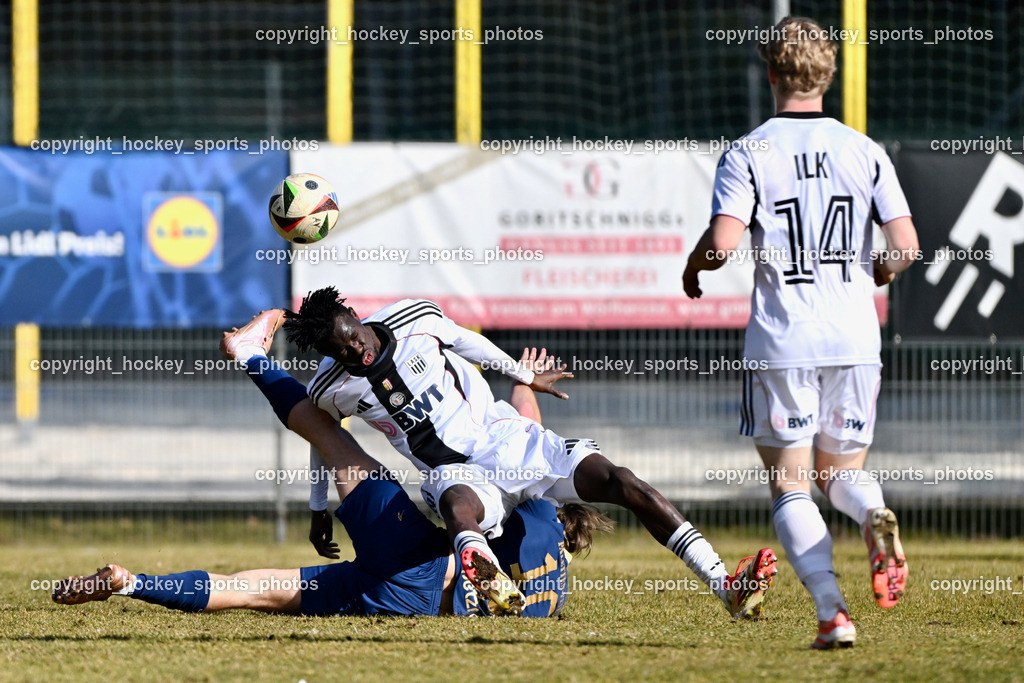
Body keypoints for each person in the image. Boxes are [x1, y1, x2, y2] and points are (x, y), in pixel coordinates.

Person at [266, 288, 776, 619]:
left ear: (355, 317)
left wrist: (525, 376)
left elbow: (470, 344)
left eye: (352, 338)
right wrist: (317, 510)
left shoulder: (414, 317)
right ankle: (490, 581)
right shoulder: (331, 388)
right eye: (341, 352)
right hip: (457, 472)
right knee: (456, 502)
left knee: (623, 482)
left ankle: (724, 584)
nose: (356, 352)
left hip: (511, 441)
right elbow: (323, 441)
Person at [51, 347, 609, 619]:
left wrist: (520, 376)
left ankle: (250, 354)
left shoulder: (536, 510)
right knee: (255, 593)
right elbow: (529, 438)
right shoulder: (550, 598)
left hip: (416, 558)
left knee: (333, 437)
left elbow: (527, 435)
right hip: (403, 601)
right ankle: (130, 583)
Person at [682, 16, 919, 649]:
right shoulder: (865, 150)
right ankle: (873, 516)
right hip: (853, 338)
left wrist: (694, 263)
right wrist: (877, 271)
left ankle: (833, 612)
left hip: (783, 341)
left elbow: (725, 242)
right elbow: (904, 247)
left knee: (790, 483)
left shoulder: (750, 149)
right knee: (841, 474)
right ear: (829, 75)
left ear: (770, 73)